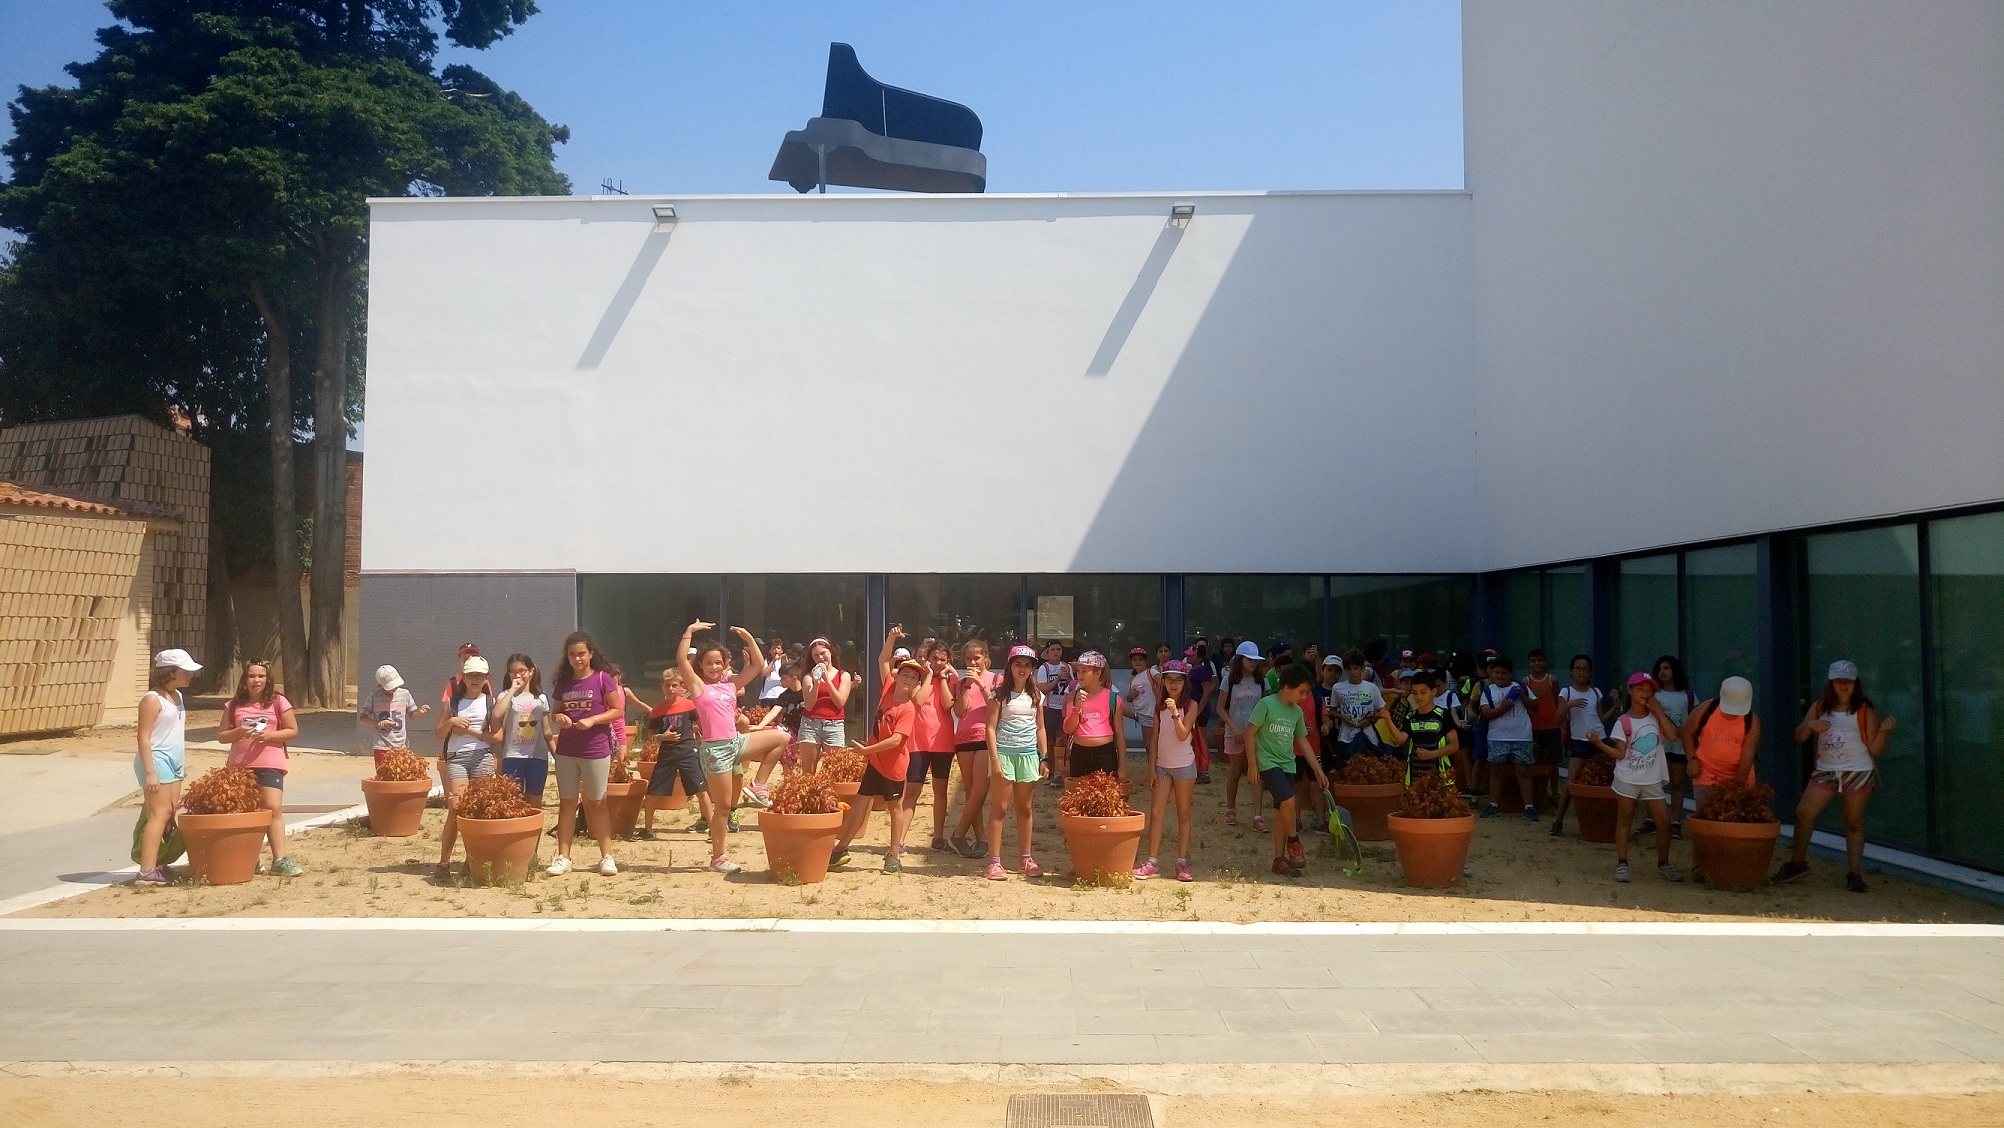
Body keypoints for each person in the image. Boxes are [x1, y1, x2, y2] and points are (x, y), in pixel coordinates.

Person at [678, 621, 793, 875]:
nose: (714, 667)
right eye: (709, 663)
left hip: (736, 742)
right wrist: (689, 633)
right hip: (716, 750)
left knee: (781, 737)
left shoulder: (730, 685)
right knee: (723, 807)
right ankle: (718, 857)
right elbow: (681, 661)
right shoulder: (698, 687)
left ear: (724, 664)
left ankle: (758, 785)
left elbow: (757, 665)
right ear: (701, 665)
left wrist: (749, 637)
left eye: (718, 662)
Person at [1775, 660, 1895, 892]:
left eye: (1848, 681)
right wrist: (1809, 725)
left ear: (1855, 684)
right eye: (1839, 681)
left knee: (1853, 821)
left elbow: (1875, 750)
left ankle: (1854, 872)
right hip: (1827, 769)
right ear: (1831, 683)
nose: (1843, 685)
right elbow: (1799, 737)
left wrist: (1883, 732)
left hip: (1857, 770)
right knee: (1803, 814)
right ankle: (1797, 863)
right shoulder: (1820, 707)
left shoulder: (1864, 710)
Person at [832, 657, 925, 874]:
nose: (908, 679)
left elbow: (896, 740)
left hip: (894, 767)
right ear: (897, 676)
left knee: (895, 809)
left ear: (917, 684)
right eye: (905, 674)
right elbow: (883, 659)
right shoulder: (889, 689)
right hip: (875, 763)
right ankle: (840, 849)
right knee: (860, 804)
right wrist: (892, 640)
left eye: (914, 678)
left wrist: (866, 751)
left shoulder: (908, 709)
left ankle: (894, 855)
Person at [1589, 672, 1683, 883]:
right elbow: (1620, 753)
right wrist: (1600, 744)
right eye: (1640, 688)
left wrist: (1659, 712)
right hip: (1628, 778)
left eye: (1649, 690)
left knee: (1664, 821)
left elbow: (1672, 735)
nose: (1645, 693)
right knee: (1625, 819)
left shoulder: (1656, 717)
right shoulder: (1623, 722)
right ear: (1630, 691)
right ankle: (1622, 863)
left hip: (1652, 778)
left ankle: (1663, 863)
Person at [548, 631, 625, 877]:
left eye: (581, 653)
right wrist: (559, 718)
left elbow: (617, 710)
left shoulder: (603, 678)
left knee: (597, 802)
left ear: (591, 654)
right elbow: (555, 712)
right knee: (567, 803)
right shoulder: (564, 683)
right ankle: (563, 857)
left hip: (595, 749)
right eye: (572, 654)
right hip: (567, 750)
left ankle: (607, 856)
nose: (577, 659)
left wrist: (593, 720)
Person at [1244, 663, 1330, 878]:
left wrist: (1318, 771)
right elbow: (1250, 733)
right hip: (1268, 763)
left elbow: (1303, 742)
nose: (1304, 696)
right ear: (1288, 687)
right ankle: (1294, 841)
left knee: (1281, 811)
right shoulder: (1266, 704)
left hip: (1288, 764)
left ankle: (1278, 859)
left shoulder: (1297, 711)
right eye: (1302, 692)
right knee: (1289, 801)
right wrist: (1253, 765)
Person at [218, 659, 303, 878]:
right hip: (240, 765)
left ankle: (280, 860)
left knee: (273, 808)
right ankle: (250, 858)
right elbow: (222, 736)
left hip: (270, 763)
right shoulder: (233, 705)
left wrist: (270, 735)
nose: (256, 680)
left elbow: (292, 730)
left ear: (268, 679)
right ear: (244, 680)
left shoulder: (278, 701)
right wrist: (238, 732)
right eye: (252, 676)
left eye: (261, 676)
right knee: (246, 812)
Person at [1681, 675, 1760, 883]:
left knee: (1738, 823)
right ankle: (1700, 867)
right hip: (1706, 772)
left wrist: (1737, 786)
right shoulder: (1706, 709)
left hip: (1738, 776)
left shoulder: (1751, 721)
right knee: (1704, 821)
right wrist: (1691, 759)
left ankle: (1733, 866)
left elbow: (1748, 755)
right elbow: (1686, 732)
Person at [132, 649, 200, 885]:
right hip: (157, 760)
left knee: (170, 813)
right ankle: (146, 871)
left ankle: (158, 863)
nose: (190, 675)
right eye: (185, 671)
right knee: (158, 815)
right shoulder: (152, 700)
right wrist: (150, 772)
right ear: (170, 672)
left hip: (175, 761)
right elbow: (143, 737)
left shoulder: (178, 696)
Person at [432, 654, 501, 877]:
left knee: (481, 808)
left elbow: (496, 736)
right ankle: (444, 861)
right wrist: (451, 722)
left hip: (482, 756)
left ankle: (475, 859)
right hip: (457, 757)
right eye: (471, 675)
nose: (475, 679)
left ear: (487, 678)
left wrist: (470, 732)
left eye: (480, 676)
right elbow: (438, 733)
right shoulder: (453, 702)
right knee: (456, 808)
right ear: (463, 677)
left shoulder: (490, 702)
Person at [984, 645, 1047, 880]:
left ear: (1032, 669)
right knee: (1000, 808)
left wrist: (1044, 756)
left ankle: (1025, 858)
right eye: (1018, 664)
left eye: (1027, 665)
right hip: (1004, 755)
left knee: (1025, 808)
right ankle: (994, 861)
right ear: (1010, 666)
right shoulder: (998, 695)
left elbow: (1040, 728)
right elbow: (990, 728)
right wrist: (995, 760)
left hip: (1028, 756)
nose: (1022, 669)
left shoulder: (1036, 696)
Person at [1135, 660, 1199, 882]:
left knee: (1183, 814)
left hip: (1184, 766)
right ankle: (1152, 862)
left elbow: (1182, 734)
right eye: (1169, 679)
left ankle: (1181, 862)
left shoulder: (1191, 705)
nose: (1173, 684)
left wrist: (1174, 712)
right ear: (1163, 682)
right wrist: (1151, 768)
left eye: (1178, 680)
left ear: (1184, 683)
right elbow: (1154, 739)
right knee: (1156, 813)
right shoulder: (1158, 706)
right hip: (1162, 766)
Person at [903, 638, 960, 852]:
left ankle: (938, 837)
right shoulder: (917, 677)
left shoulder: (951, 679)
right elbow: (918, 700)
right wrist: (928, 675)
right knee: (913, 790)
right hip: (918, 742)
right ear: (927, 659)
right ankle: (900, 839)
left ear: (948, 660)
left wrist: (944, 677)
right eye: (934, 658)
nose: (938, 663)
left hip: (942, 742)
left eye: (942, 659)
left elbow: (947, 704)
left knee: (940, 790)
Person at [641, 669, 709, 839]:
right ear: (662, 687)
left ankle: (714, 830)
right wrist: (662, 737)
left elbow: (703, 726)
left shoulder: (689, 705)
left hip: (688, 752)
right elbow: (650, 738)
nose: (670, 689)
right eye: (667, 685)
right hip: (667, 755)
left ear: (681, 687)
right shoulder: (657, 711)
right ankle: (647, 830)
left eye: (674, 685)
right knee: (652, 793)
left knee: (701, 791)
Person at [946, 639, 999, 858]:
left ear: (985, 657)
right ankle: (981, 839)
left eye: (976, 658)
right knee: (971, 792)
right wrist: (967, 685)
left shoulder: (996, 679)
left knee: (980, 789)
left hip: (985, 735)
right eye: (968, 659)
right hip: (964, 738)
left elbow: (995, 706)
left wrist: (980, 683)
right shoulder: (962, 682)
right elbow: (959, 712)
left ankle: (958, 834)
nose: (972, 662)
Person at [1550, 654, 1613, 837]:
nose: (1581, 672)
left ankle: (1602, 820)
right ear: (1571, 671)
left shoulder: (1596, 692)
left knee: (1606, 778)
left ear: (1590, 672)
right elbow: (1557, 720)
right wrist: (1569, 705)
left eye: (1585, 669)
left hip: (1599, 739)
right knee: (1571, 781)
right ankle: (1558, 819)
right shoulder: (1566, 692)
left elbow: (1600, 718)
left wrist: (1616, 706)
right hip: (1579, 740)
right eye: (1578, 668)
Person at [1477, 655, 1538, 821]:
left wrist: (1523, 697)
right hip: (1497, 737)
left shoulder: (1521, 687)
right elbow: (1486, 713)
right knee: (1496, 771)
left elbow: (1535, 706)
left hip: (1522, 736)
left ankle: (1529, 806)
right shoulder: (1488, 690)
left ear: (1510, 674)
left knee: (1523, 771)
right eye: (1496, 672)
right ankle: (1493, 804)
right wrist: (1504, 708)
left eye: (1503, 673)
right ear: (1491, 673)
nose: (1499, 676)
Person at [1644, 656, 1697, 839]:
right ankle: (1651, 819)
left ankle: (1675, 822)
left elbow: (1695, 716)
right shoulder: (1654, 694)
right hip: (1657, 744)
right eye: (1660, 669)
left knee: (1677, 783)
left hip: (1679, 745)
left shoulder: (1687, 695)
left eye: (1666, 668)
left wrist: (1686, 729)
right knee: (1653, 782)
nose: (1663, 672)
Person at [493, 654, 552, 807]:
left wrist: (557, 755)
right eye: (512, 671)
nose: (517, 675)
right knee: (513, 801)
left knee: (534, 801)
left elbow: (547, 731)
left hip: (537, 756)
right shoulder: (505, 695)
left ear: (531, 671)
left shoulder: (541, 698)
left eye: (521, 670)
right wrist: (512, 689)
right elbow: (497, 714)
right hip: (513, 755)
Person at [1064, 650, 1128, 787]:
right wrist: (1077, 709)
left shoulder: (1112, 698)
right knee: (1080, 794)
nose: (1079, 675)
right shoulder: (1073, 696)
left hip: (1105, 753)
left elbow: (1120, 734)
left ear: (1098, 673)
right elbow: (1068, 729)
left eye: (1084, 671)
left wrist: (1122, 766)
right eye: (1078, 671)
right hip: (1080, 753)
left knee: (1105, 794)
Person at [1220, 641, 1266, 829]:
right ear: (1240, 660)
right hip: (1235, 733)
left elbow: (1265, 707)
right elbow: (1220, 708)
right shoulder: (1229, 680)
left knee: (1256, 772)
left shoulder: (1262, 681)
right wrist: (1233, 728)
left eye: (1255, 659)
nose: (1252, 663)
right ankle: (1231, 809)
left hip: (1255, 734)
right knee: (1235, 772)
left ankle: (1257, 815)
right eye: (1249, 659)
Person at [796, 637, 854, 776]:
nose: (820, 658)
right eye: (816, 655)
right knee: (808, 771)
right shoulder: (808, 677)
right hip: (811, 724)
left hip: (834, 725)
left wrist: (827, 680)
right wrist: (816, 683)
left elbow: (840, 702)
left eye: (823, 653)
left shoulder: (843, 675)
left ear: (831, 652)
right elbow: (809, 705)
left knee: (834, 769)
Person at [359, 664, 428, 772]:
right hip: (381, 747)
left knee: (402, 775)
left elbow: (412, 716)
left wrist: (419, 712)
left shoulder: (405, 694)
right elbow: (362, 717)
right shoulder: (374, 696)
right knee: (384, 776)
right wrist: (378, 723)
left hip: (401, 746)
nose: (393, 688)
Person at [1327, 649, 1387, 766]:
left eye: (1355, 668)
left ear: (1362, 668)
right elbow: (1332, 711)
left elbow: (1383, 711)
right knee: (1346, 769)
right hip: (1346, 736)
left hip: (1369, 736)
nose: (1352, 672)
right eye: (1349, 669)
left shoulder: (1372, 688)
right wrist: (1342, 717)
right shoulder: (1337, 688)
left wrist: (1370, 719)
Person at [1524, 649, 1563, 810]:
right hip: (1533, 727)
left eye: (1539, 660)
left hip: (1552, 726)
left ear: (1545, 662)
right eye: (1533, 661)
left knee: (1553, 762)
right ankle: (1540, 794)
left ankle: (1555, 793)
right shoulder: (1526, 681)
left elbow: (1558, 701)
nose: (1537, 664)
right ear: (1529, 663)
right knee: (1536, 762)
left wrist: (1561, 722)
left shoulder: (1552, 680)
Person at [1035, 641, 1074, 785]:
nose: (1056, 652)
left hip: (1063, 708)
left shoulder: (1067, 667)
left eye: (1058, 649)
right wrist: (1057, 679)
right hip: (1049, 708)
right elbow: (1042, 689)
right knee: (1050, 741)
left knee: (1061, 741)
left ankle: (1059, 772)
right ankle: (1050, 771)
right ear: (1048, 652)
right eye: (1053, 649)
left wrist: (1068, 678)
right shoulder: (1044, 668)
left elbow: (1074, 687)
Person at [1184, 643, 1216, 783]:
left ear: (1199, 657)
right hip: (1194, 710)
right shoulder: (1194, 670)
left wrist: (1199, 710)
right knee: (1195, 741)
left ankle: (1204, 771)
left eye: (1192, 655)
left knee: (1200, 741)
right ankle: (1198, 769)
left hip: (1199, 712)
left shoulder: (1201, 671)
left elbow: (1206, 691)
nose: (1188, 657)